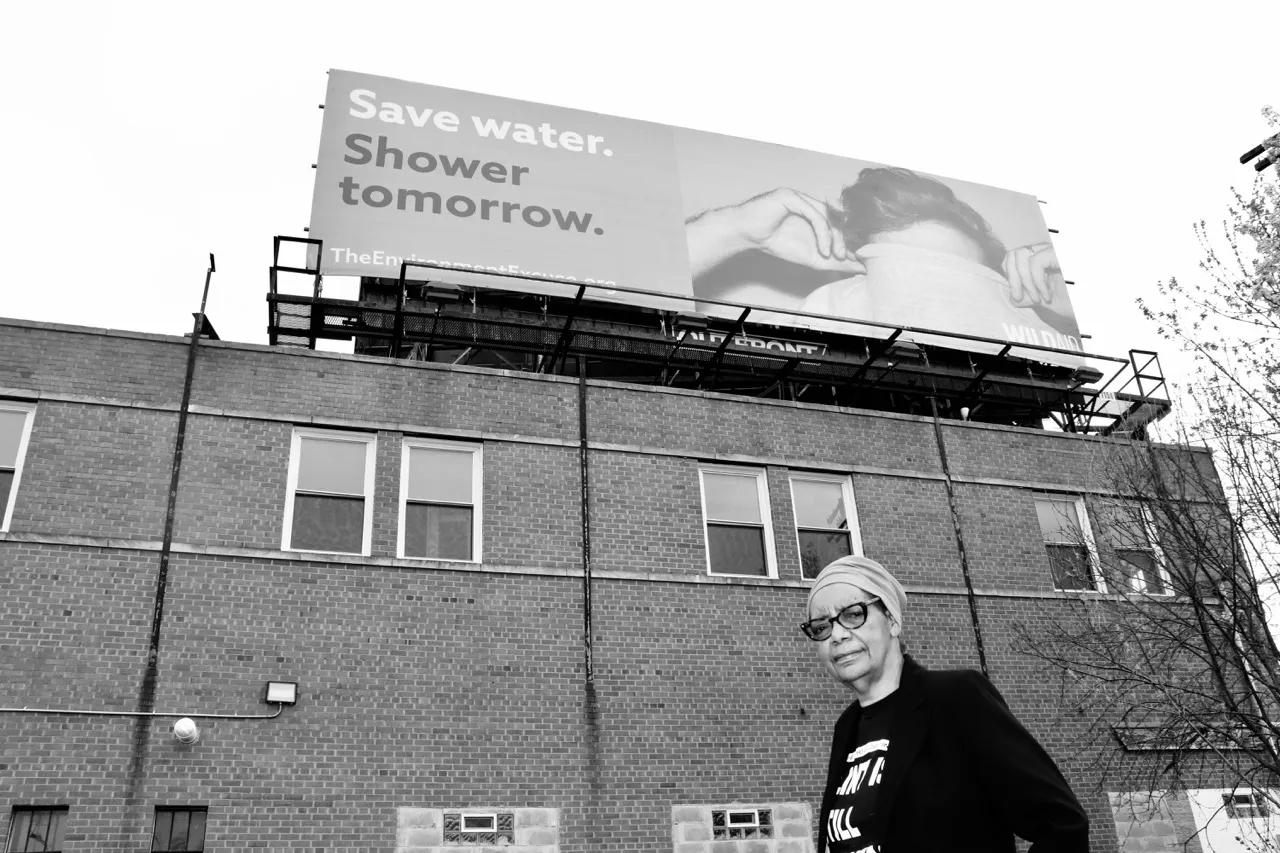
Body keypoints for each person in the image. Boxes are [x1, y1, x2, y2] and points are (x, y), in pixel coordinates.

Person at [801, 555, 1089, 852]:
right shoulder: (847, 727)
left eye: (852, 614)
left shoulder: (955, 698)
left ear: (892, 620)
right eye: (821, 627)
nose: (836, 635)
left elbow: (1063, 825)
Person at [686, 168, 1071, 332]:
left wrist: (1060, 317)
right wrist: (730, 229)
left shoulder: (1032, 320)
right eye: (902, 278)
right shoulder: (830, 308)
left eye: (959, 286)